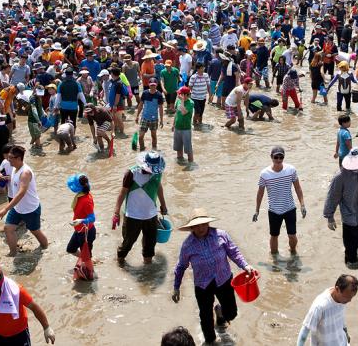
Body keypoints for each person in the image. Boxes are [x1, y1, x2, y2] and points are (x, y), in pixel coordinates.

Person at [172, 208, 256, 344]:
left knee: (232, 314)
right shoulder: (187, 245)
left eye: (203, 224)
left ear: (208, 223)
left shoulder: (221, 235)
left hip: (224, 279)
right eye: (197, 226)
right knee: (205, 318)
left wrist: (245, 266)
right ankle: (210, 341)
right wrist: (176, 287)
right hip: (202, 285)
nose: (201, 228)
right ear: (191, 227)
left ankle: (220, 312)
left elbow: (234, 252)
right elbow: (181, 267)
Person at [114, 151, 168, 264]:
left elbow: (158, 186)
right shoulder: (131, 173)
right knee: (127, 244)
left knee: (150, 246)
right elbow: (122, 193)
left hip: (151, 216)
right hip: (133, 216)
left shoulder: (157, 172)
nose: (152, 172)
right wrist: (116, 213)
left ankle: (147, 270)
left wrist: (163, 204)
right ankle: (120, 263)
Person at [0, 145, 49, 256]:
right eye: (8, 156)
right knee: (8, 228)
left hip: (30, 209)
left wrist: (5, 209)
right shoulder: (15, 168)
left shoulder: (25, 173)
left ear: (19, 158)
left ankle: (45, 248)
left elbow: (21, 193)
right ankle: (13, 253)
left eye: (11, 157)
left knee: (35, 232)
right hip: (17, 208)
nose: (8, 159)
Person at [253, 145, 306, 255]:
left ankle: (293, 252)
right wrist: (256, 210)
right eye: (276, 157)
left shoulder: (291, 170)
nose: (278, 160)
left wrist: (302, 205)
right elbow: (260, 193)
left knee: (292, 235)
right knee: (274, 236)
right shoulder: (264, 174)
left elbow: (298, 188)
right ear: (271, 157)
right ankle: (274, 260)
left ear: (283, 157)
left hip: (289, 208)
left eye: (281, 157)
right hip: (274, 210)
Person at [296, 274, 358, 346]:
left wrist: (346, 334)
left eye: (351, 297)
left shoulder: (343, 299)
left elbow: (341, 321)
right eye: (347, 297)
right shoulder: (319, 306)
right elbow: (305, 331)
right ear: (337, 289)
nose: (349, 300)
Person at [66, 173, 96, 260]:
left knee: (86, 257)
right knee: (70, 249)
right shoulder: (80, 195)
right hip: (79, 230)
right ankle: (87, 259)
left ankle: (89, 265)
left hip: (86, 233)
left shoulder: (86, 200)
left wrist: (81, 220)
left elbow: (92, 218)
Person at [135, 78, 164, 151]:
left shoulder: (159, 95)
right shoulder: (145, 93)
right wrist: (137, 116)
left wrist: (161, 120)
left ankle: (154, 151)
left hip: (154, 119)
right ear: (148, 85)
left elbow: (161, 108)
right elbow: (141, 105)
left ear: (156, 85)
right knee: (140, 136)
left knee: (153, 136)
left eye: (154, 85)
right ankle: (142, 150)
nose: (152, 87)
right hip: (144, 118)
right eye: (151, 85)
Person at [173, 86, 194, 162]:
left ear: (186, 95)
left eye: (180, 94)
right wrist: (173, 124)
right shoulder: (178, 101)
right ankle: (180, 163)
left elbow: (183, 112)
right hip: (177, 127)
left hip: (186, 129)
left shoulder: (190, 103)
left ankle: (190, 164)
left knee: (188, 150)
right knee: (178, 149)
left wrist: (182, 101)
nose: (178, 95)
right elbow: (177, 113)